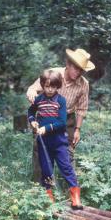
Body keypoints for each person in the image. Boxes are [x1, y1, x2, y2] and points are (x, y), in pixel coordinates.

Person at [27, 48, 95, 181]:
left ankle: (69, 188)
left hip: (67, 119)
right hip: (45, 116)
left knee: (67, 152)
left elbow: (82, 108)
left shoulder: (84, 84)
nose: (78, 72)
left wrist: (77, 130)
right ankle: (39, 188)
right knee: (41, 150)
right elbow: (33, 87)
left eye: (81, 70)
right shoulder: (54, 73)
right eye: (76, 68)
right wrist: (32, 92)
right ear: (68, 64)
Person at [28, 69, 83, 210]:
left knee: (66, 167)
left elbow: (62, 122)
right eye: (47, 86)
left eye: (53, 86)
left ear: (58, 86)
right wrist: (32, 121)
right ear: (43, 85)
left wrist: (46, 128)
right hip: (43, 143)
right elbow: (30, 111)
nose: (50, 89)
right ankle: (49, 198)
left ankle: (75, 196)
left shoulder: (61, 101)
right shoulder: (39, 100)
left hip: (59, 142)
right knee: (46, 170)